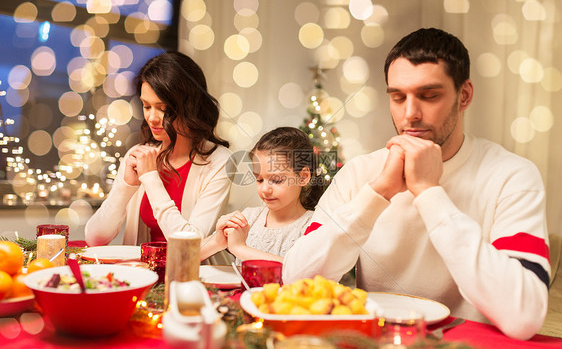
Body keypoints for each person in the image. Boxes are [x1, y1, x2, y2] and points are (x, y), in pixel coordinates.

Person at [283, 28, 550, 340]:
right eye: (398, 97)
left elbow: (524, 317)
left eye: (429, 95)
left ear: (464, 96)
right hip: (376, 342)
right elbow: (295, 280)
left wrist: (429, 193)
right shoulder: (361, 172)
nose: (409, 113)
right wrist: (378, 193)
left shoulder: (512, 175)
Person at [85, 51, 232, 246]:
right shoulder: (138, 155)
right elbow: (94, 238)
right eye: (146, 106)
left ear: (190, 106)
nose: (152, 118)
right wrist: (126, 186)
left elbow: (189, 243)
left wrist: (150, 177)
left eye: (163, 109)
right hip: (140, 275)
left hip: (189, 274)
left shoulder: (220, 161)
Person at [200, 127, 325, 263]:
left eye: (276, 180)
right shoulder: (248, 219)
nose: (265, 189)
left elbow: (301, 271)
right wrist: (217, 241)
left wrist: (240, 249)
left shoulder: (313, 226)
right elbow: (184, 258)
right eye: (259, 179)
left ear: (303, 177)